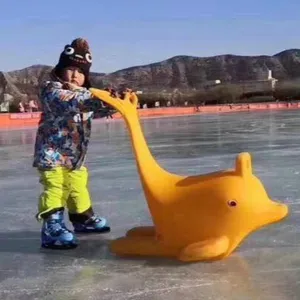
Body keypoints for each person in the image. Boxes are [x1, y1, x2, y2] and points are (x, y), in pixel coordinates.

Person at [33, 37, 115, 249]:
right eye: (70, 69)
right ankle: (51, 227)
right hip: (51, 154)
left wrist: (116, 101)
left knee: (78, 185)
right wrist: (92, 97)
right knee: (55, 187)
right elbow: (70, 101)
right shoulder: (51, 89)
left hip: (75, 156)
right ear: (60, 70)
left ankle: (82, 218)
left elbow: (98, 108)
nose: (75, 75)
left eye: (81, 72)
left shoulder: (85, 95)